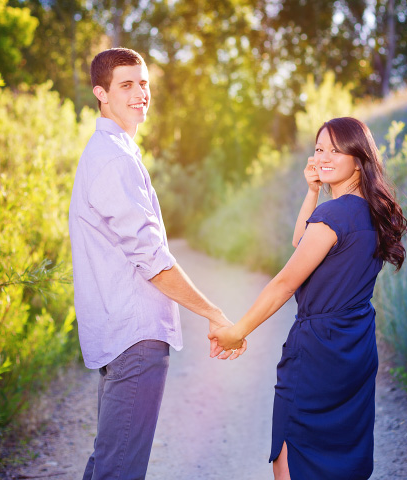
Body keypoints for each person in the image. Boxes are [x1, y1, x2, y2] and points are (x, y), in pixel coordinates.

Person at [68, 47, 247, 480]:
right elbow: (153, 260)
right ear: (101, 93)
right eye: (126, 84)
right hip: (134, 336)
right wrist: (215, 313)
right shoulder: (113, 158)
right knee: (119, 470)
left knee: (109, 462)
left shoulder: (116, 152)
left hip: (121, 334)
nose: (140, 93)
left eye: (144, 83)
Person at [209, 117, 407, 480]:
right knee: (343, 448)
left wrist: (238, 331)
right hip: (355, 344)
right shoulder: (372, 213)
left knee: (291, 448)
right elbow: (302, 243)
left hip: (317, 350)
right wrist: (312, 190)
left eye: (335, 149)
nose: (324, 156)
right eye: (319, 149)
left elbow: (285, 283)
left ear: (358, 157)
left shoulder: (334, 216)